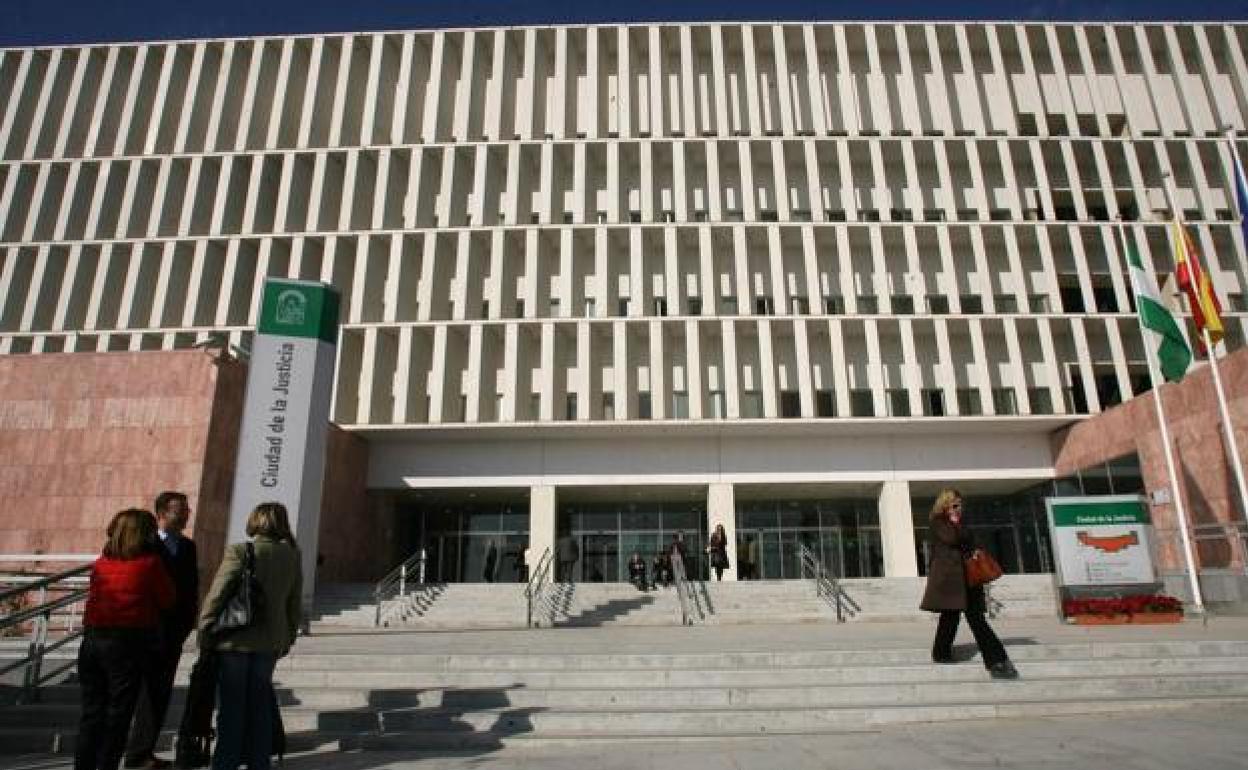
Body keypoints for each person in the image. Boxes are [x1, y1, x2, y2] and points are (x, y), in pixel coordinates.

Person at [198, 502, 302, 770]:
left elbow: (218, 593)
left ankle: (226, 762)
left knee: (232, 706)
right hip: (270, 641)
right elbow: (294, 602)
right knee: (260, 705)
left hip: (236, 637)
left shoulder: (241, 551)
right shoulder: (292, 555)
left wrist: (205, 626)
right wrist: (289, 636)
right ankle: (259, 761)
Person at [75, 509, 175, 770]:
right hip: (127, 642)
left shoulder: (101, 563)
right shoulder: (150, 563)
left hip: (93, 640)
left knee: (91, 713)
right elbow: (167, 599)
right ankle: (107, 764)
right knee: (118, 714)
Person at [125, 492, 198, 770]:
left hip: (171, 633)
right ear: (162, 513)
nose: (186, 514)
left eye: (187, 509)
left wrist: (187, 623)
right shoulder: (146, 544)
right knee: (131, 693)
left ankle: (142, 751)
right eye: (180, 510)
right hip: (142, 629)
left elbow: (191, 588)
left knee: (158, 694)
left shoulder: (188, 547)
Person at [920, 488, 1018, 680]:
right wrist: (955, 522)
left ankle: (997, 660)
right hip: (950, 579)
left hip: (968, 577)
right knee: (950, 618)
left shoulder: (960, 523)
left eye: (960, 504)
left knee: (976, 619)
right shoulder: (938, 522)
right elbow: (951, 539)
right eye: (954, 504)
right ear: (945, 505)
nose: (959, 508)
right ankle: (941, 653)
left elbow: (971, 542)